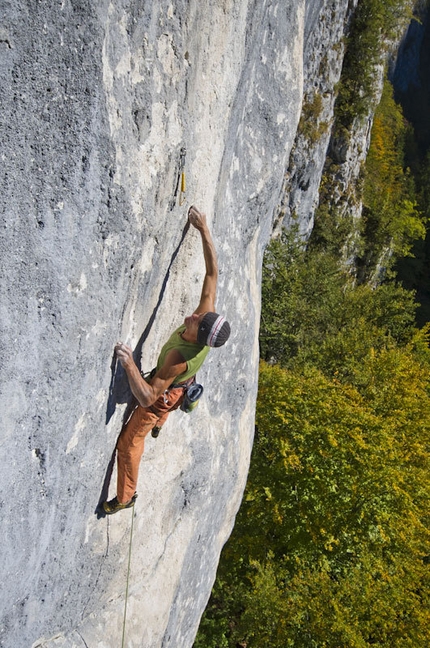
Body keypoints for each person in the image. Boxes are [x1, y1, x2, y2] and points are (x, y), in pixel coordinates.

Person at [103, 206, 231, 514]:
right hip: (182, 384)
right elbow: (213, 272)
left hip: (165, 394)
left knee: (129, 444)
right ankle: (162, 423)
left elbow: (148, 396)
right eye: (199, 314)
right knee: (171, 392)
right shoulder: (204, 315)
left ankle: (125, 498)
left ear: (199, 338)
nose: (191, 316)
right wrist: (203, 229)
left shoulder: (179, 358)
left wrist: (129, 362)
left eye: (194, 322)